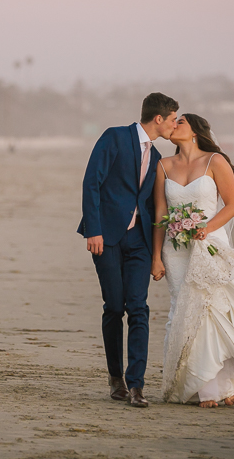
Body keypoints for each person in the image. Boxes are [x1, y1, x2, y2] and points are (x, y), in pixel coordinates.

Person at [151, 113, 234, 408]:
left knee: (211, 310)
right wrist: (156, 257)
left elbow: (233, 205)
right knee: (183, 311)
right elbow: (159, 214)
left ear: (194, 130)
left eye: (180, 121)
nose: (174, 125)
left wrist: (204, 229)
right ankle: (203, 386)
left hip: (208, 244)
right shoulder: (163, 165)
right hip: (175, 249)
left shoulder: (215, 161)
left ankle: (213, 387)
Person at [78, 93, 179, 407]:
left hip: (139, 241)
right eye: (174, 118)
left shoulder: (159, 157)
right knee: (114, 307)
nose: (176, 125)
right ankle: (115, 377)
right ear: (158, 119)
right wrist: (93, 229)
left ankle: (136, 385)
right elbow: (91, 182)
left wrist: (156, 253)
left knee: (138, 307)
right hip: (106, 236)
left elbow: (152, 203)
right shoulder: (115, 137)